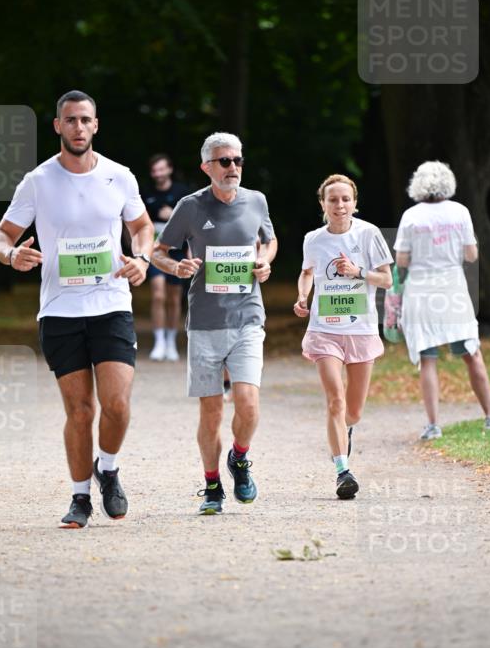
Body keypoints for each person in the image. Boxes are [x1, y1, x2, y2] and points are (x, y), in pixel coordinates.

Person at [0, 90, 154, 528]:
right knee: (80, 411)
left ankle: (110, 468)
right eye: (70, 120)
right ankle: (80, 497)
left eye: (85, 120)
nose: (78, 127)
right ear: (58, 127)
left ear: (96, 125)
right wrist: (11, 256)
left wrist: (141, 258)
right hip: (61, 310)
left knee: (117, 404)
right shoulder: (38, 181)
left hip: (111, 303)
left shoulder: (119, 176)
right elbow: (1, 236)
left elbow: (141, 227)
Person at [151, 132, 277, 514]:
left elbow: (269, 240)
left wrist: (266, 261)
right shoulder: (190, 207)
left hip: (247, 317)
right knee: (212, 412)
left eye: (238, 160)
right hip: (205, 321)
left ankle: (239, 459)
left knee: (249, 404)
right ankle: (211, 485)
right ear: (207, 167)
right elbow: (158, 251)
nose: (233, 168)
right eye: (224, 161)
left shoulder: (256, 200)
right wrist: (177, 266)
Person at [394, 160, 490, 439]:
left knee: (427, 358)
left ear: (418, 184)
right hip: (452, 291)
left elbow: (401, 260)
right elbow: (472, 255)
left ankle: (433, 425)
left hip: (421, 293)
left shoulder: (411, 216)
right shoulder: (460, 212)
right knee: (472, 353)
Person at [294, 174, 393, 500]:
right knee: (335, 399)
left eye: (345, 199)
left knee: (353, 411)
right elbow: (307, 272)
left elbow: (387, 280)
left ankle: (344, 431)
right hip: (325, 330)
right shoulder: (314, 239)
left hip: (361, 330)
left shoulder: (369, 234)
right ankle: (342, 470)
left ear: (354, 202)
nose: (339, 205)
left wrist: (358, 272)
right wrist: (302, 297)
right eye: (333, 199)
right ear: (323, 204)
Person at [143, 153, 188, 361]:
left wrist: (173, 216)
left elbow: (191, 223)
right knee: (158, 294)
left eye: (162, 169)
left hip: (177, 250)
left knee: (174, 297)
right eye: (154, 170)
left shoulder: (182, 192)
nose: (158, 173)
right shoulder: (145, 193)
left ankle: (171, 341)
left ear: (169, 169)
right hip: (154, 250)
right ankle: (159, 341)